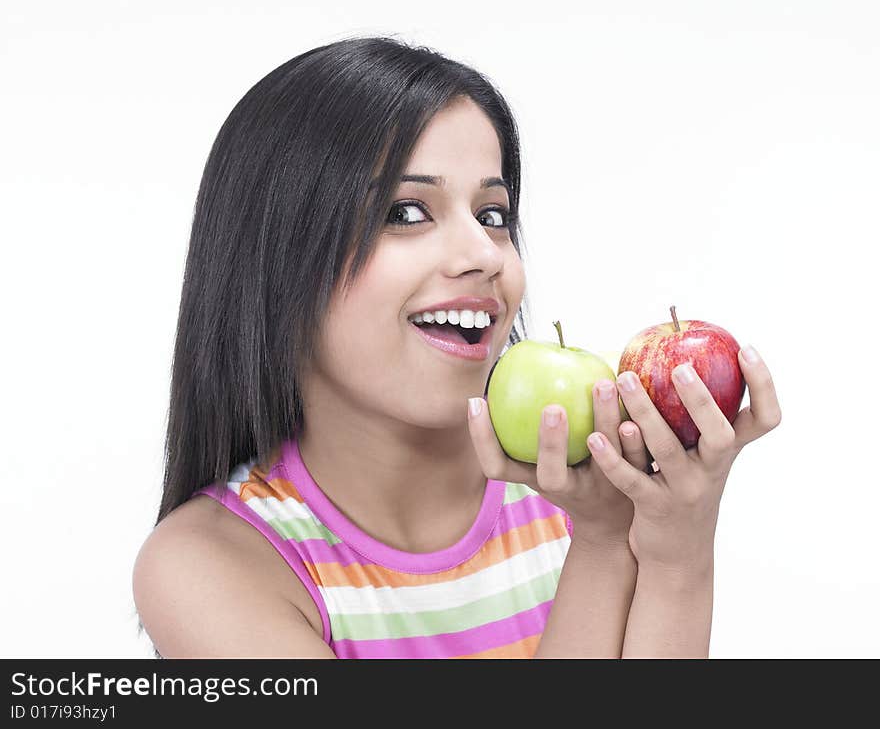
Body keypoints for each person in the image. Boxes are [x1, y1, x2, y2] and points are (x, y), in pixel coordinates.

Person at [131, 34, 782, 659]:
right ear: (275, 262)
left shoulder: (581, 495)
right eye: (406, 212)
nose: (481, 254)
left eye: (493, 215)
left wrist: (677, 548)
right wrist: (605, 544)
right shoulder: (209, 565)